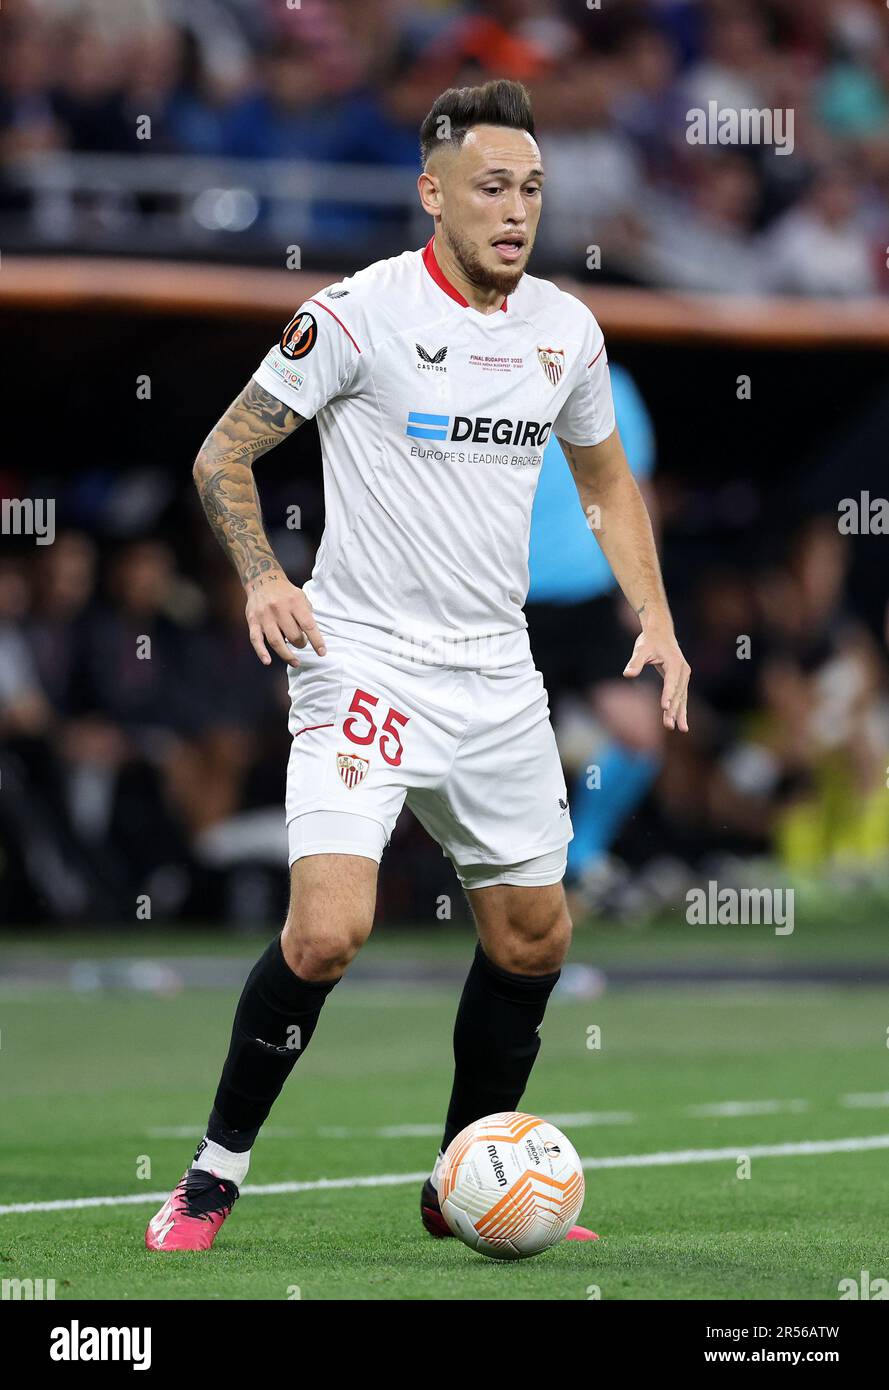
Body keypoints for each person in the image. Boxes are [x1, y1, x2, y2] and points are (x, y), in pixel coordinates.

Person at [146, 78, 690, 1253]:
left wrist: (655, 613)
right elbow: (220, 454)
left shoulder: (565, 330)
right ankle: (209, 1175)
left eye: (533, 189)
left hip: (495, 675)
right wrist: (262, 575)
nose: (516, 210)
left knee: (534, 937)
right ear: (431, 193)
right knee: (326, 933)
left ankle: (462, 1179)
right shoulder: (357, 315)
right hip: (365, 664)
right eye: (492, 186)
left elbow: (603, 480)